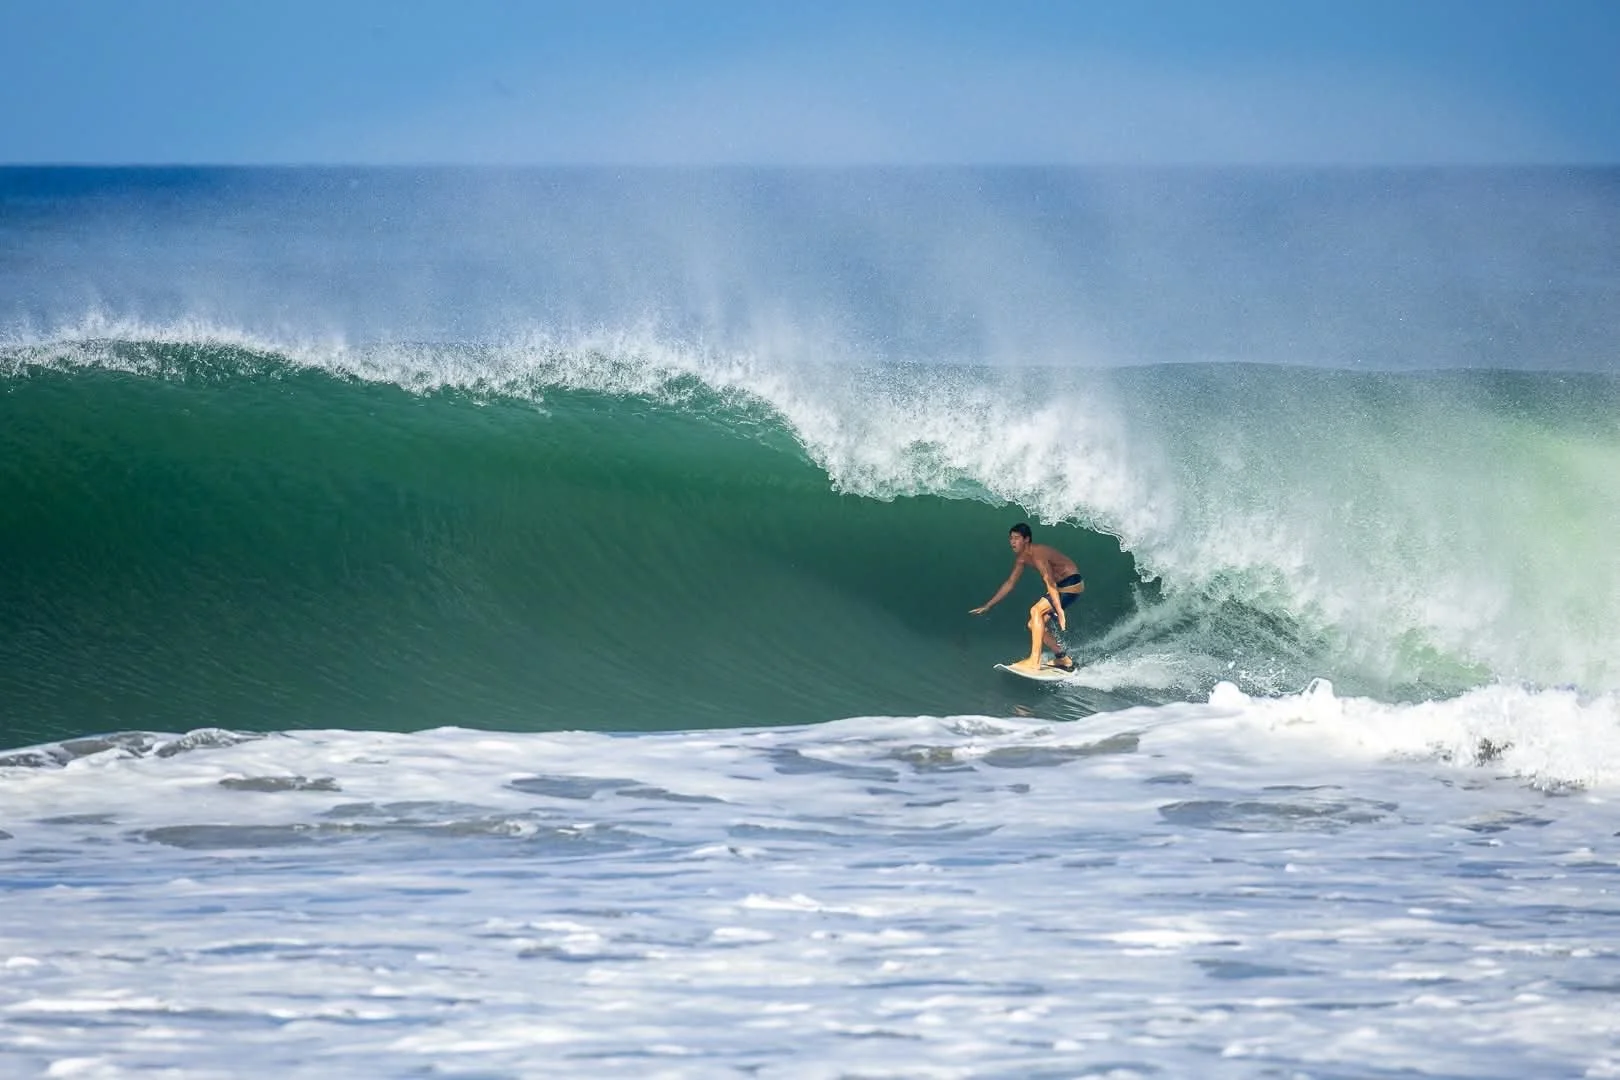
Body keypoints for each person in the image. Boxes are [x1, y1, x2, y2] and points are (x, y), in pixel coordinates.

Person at [970, 522, 1085, 673]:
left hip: (1071, 583)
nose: (1012, 542)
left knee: (1035, 610)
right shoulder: (1022, 559)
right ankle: (1063, 658)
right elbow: (1010, 583)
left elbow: (1049, 581)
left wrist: (1059, 609)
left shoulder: (1038, 553)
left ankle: (1034, 661)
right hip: (1060, 587)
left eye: (1016, 538)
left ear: (1026, 539)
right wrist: (988, 605)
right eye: (1010, 538)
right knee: (1034, 625)